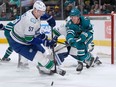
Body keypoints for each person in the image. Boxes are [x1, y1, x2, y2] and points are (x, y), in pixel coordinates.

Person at [2, 1, 66, 75]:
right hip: (18, 43)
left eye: (43, 12)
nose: (42, 14)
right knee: (39, 56)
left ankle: (43, 67)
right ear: (35, 10)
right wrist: (45, 42)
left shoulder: (33, 12)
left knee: (42, 52)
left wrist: (49, 17)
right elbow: (29, 39)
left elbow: (40, 20)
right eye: (41, 12)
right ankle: (55, 69)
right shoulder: (30, 21)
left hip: (22, 37)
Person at [65, 8, 95, 72]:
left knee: (81, 46)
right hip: (79, 37)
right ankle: (89, 57)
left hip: (88, 36)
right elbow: (70, 33)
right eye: (71, 17)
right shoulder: (70, 24)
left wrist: (85, 35)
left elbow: (91, 31)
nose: (72, 19)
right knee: (80, 48)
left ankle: (80, 62)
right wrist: (70, 39)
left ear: (78, 16)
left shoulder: (85, 21)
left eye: (74, 17)